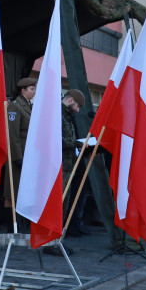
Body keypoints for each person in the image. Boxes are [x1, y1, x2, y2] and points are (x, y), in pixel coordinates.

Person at [4, 77, 35, 231]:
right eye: (31, 89)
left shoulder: (27, 105)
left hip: (28, 155)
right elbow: (13, 134)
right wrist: (17, 157)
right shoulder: (15, 107)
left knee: (23, 191)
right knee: (14, 191)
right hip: (19, 155)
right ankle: (13, 226)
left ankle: (21, 223)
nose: (34, 92)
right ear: (23, 90)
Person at [61, 89, 89, 236]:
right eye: (77, 106)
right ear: (70, 100)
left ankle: (57, 239)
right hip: (59, 168)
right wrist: (77, 144)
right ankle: (51, 241)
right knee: (59, 205)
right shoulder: (57, 115)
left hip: (68, 166)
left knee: (65, 205)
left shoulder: (66, 117)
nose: (77, 110)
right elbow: (55, 140)